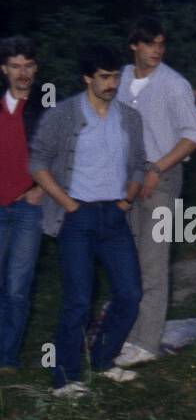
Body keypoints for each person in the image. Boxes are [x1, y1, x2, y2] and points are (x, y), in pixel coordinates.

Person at [28, 43, 147, 396]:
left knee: (129, 293)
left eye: (116, 76)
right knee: (79, 299)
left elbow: (139, 162)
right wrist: (68, 204)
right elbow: (38, 162)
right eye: (104, 77)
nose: (112, 83)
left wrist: (128, 198)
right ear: (87, 78)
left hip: (113, 216)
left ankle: (104, 359)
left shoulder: (129, 117)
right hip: (77, 217)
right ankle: (64, 378)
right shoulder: (63, 115)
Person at [113, 18, 196, 369]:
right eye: (149, 43)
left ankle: (146, 343)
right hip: (124, 179)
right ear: (134, 45)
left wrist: (156, 168)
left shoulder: (174, 84)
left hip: (160, 177)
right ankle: (130, 332)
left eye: (161, 44)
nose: (156, 50)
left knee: (153, 262)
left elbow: (194, 134)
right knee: (128, 261)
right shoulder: (119, 78)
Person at [0, 36, 46, 372]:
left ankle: (7, 356)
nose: (22, 72)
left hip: (28, 209)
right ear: (4, 69)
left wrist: (42, 190)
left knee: (17, 286)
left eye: (28, 65)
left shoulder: (46, 107)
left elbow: (64, 151)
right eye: (15, 66)